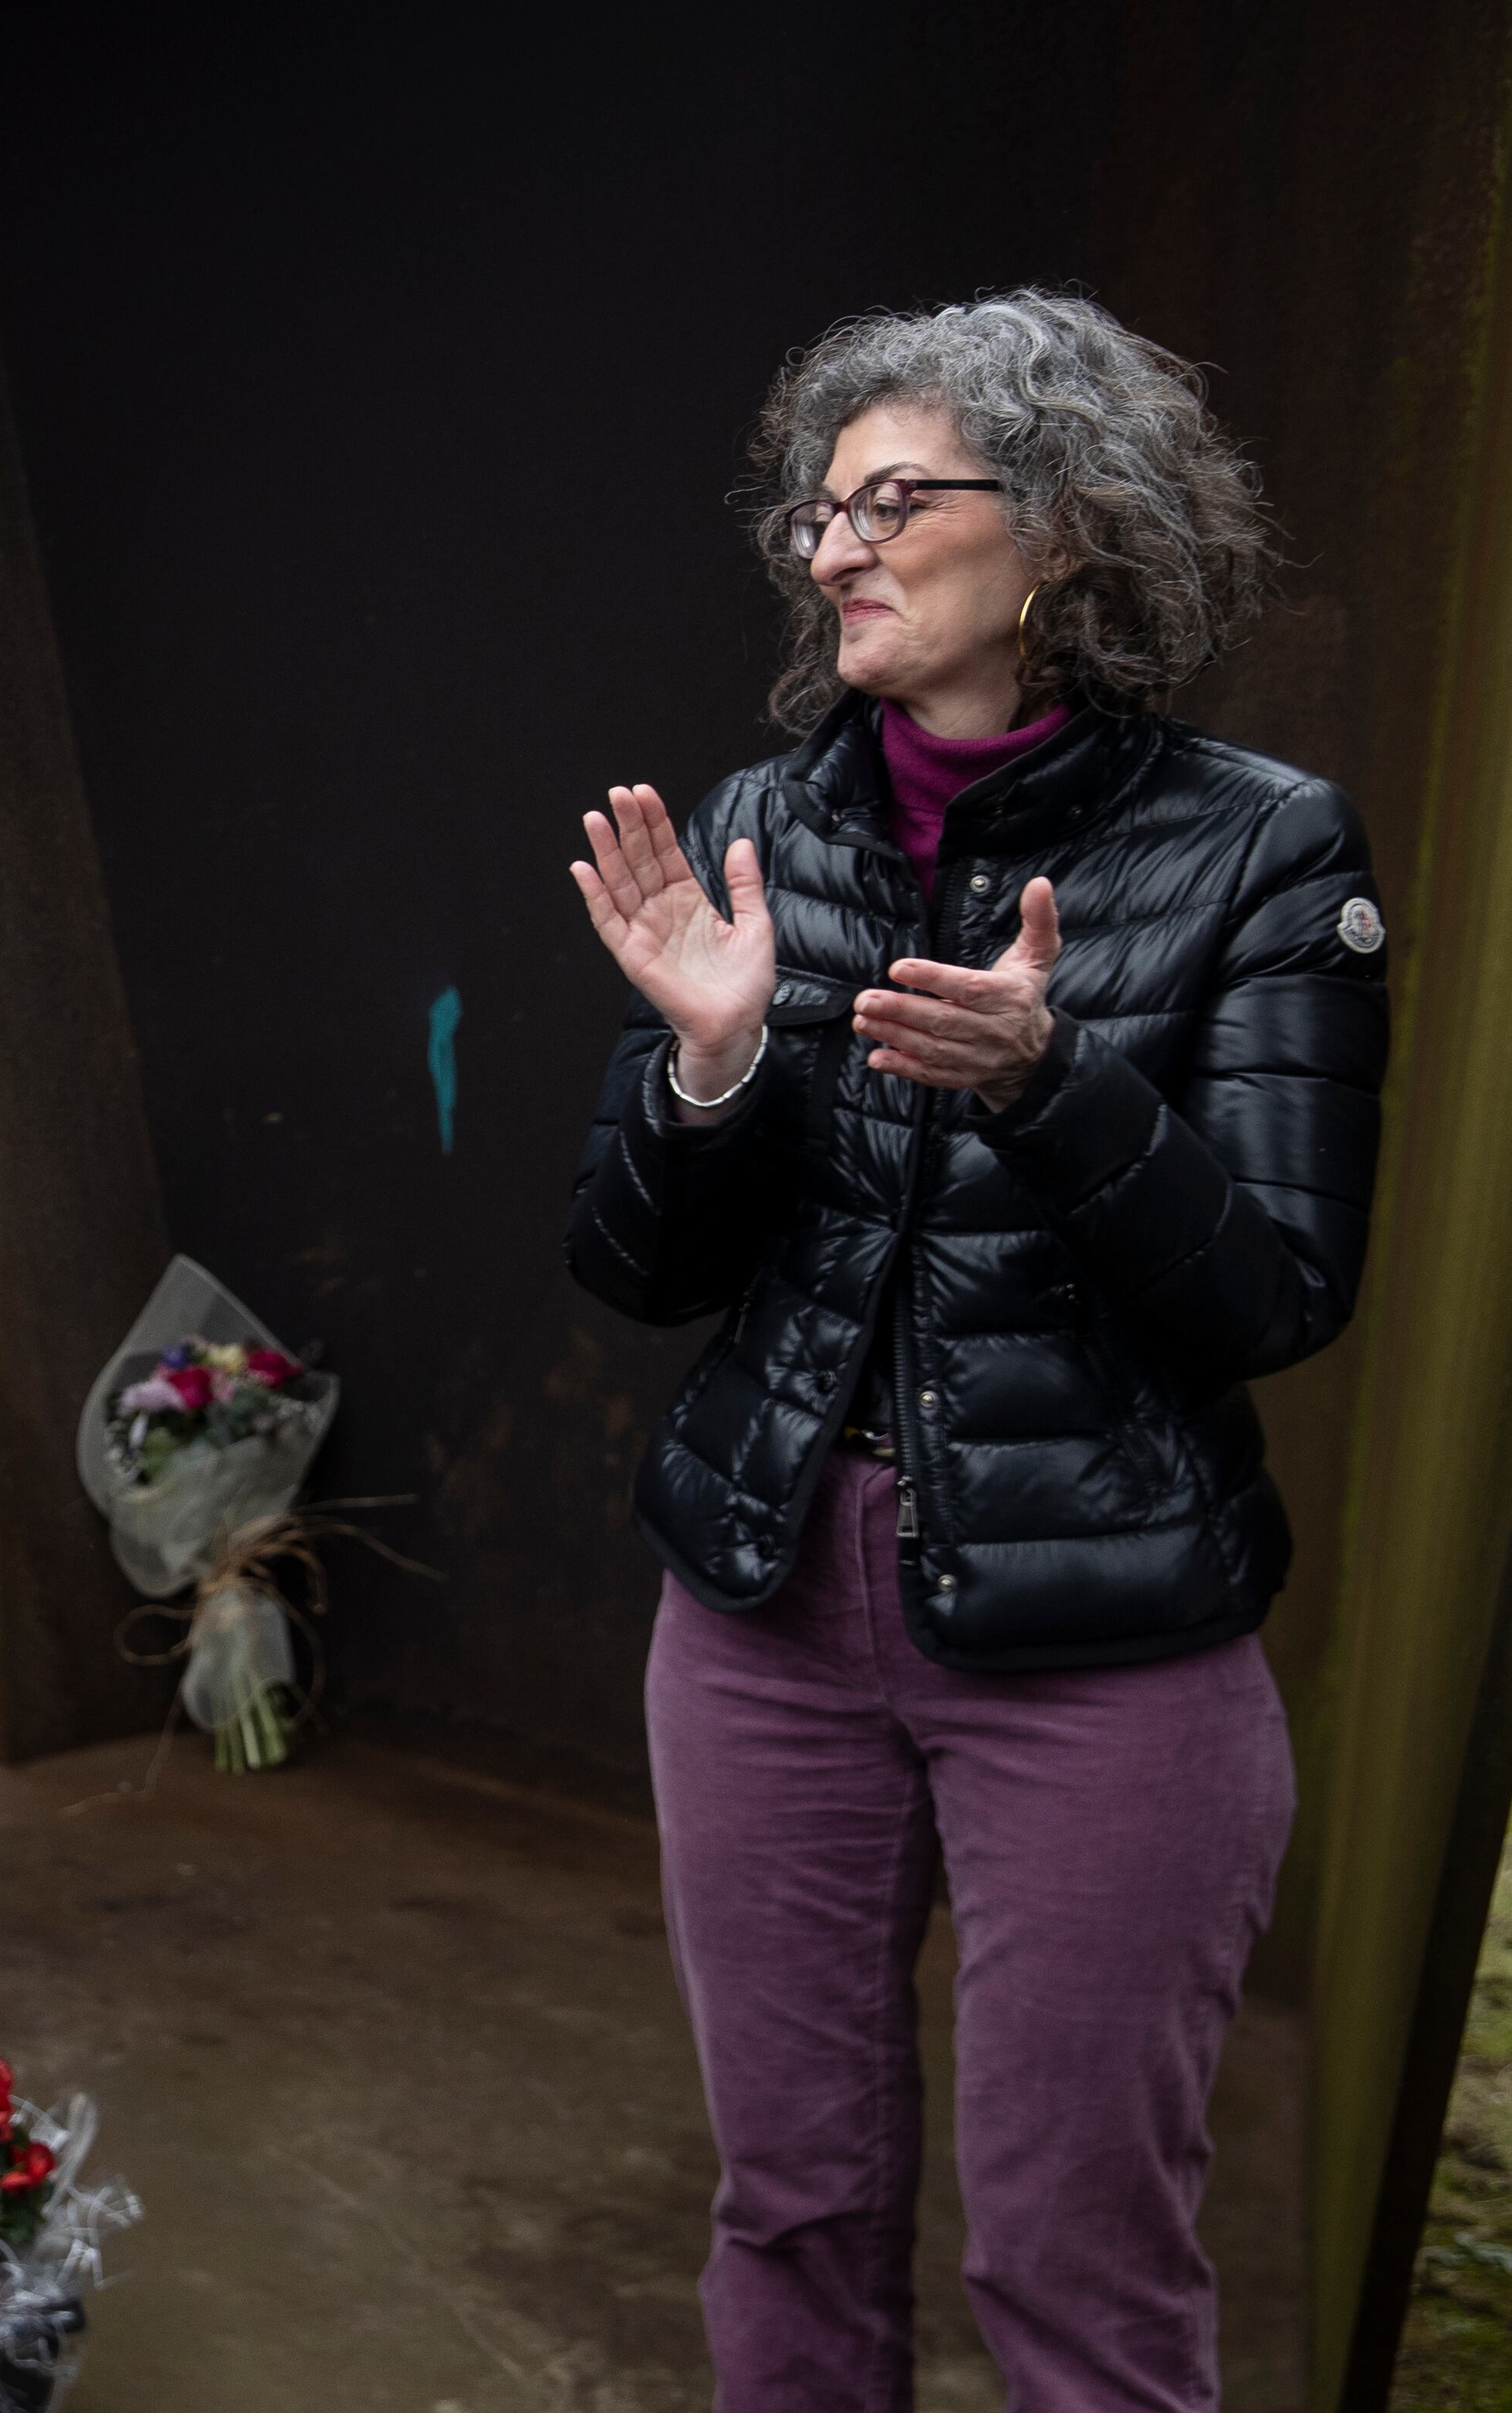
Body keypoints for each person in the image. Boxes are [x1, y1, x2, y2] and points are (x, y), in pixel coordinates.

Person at [563, 290, 1386, 2408]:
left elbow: (1281, 1287)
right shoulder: (769, 820)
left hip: (1100, 1642)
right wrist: (718, 1067)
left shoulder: (1263, 847)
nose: (832, 548)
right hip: (760, 1612)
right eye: (817, 513)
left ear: (1067, 534)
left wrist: (1054, 1086)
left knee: (1079, 2262)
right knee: (795, 2209)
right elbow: (633, 1266)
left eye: (890, 501)